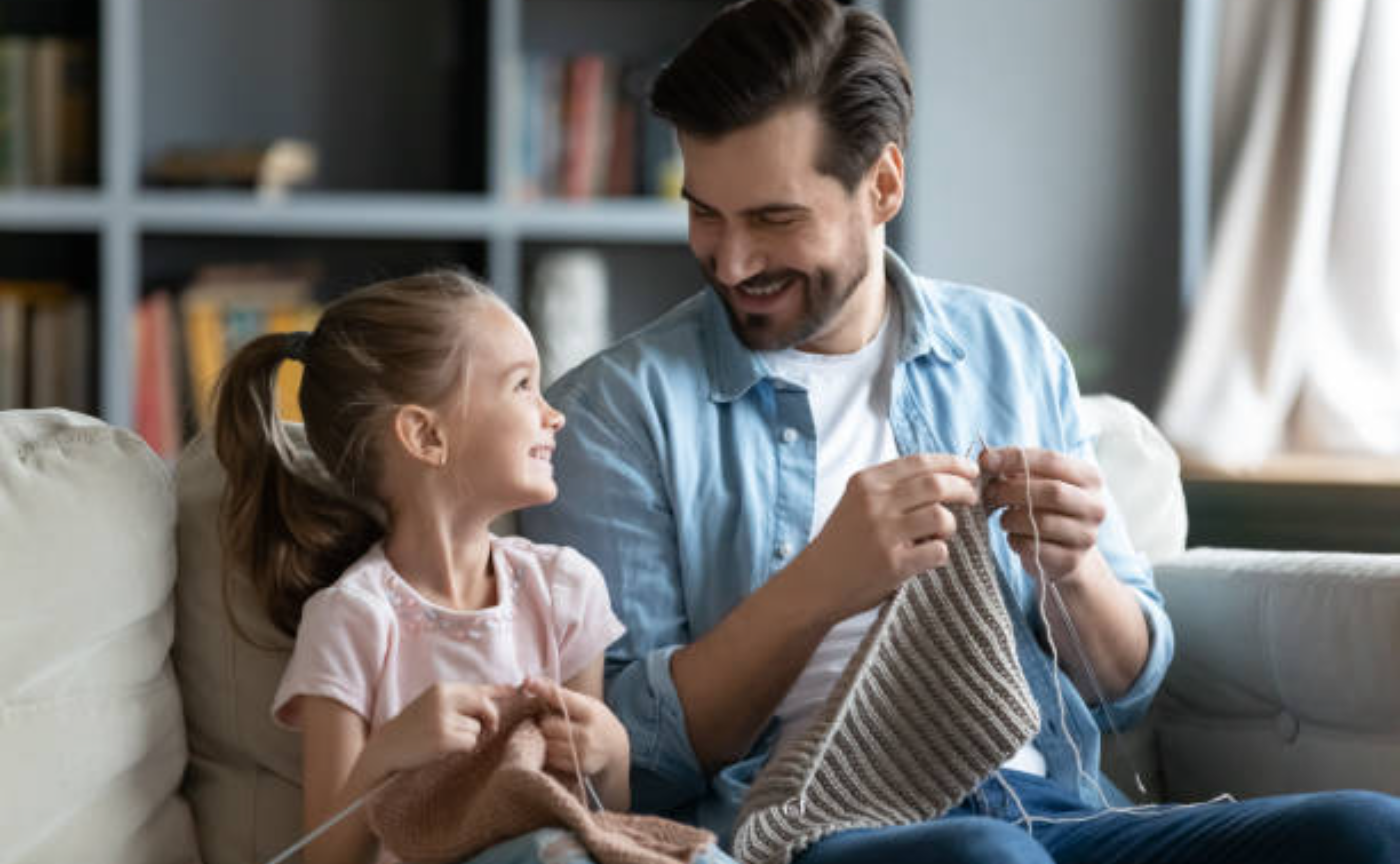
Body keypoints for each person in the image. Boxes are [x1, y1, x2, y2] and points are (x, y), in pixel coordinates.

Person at [520, 1, 1400, 862]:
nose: (732, 260)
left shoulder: (1006, 347)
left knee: (1366, 832)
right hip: (816, 825)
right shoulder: (611, 413)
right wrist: (821, 584)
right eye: (705, 212)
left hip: (1052, 812)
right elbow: (625, 758)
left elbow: (1127, 692)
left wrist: (1075, 571)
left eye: (775, 219)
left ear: (884, 185)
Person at [213, 270, 645, 864]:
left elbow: (600, 826)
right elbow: (326, 859)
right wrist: (390, 750)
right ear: (425, 435)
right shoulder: (351, 620)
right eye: (522, 386)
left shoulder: (566, 589)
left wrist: (612, 754)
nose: (554, 415)